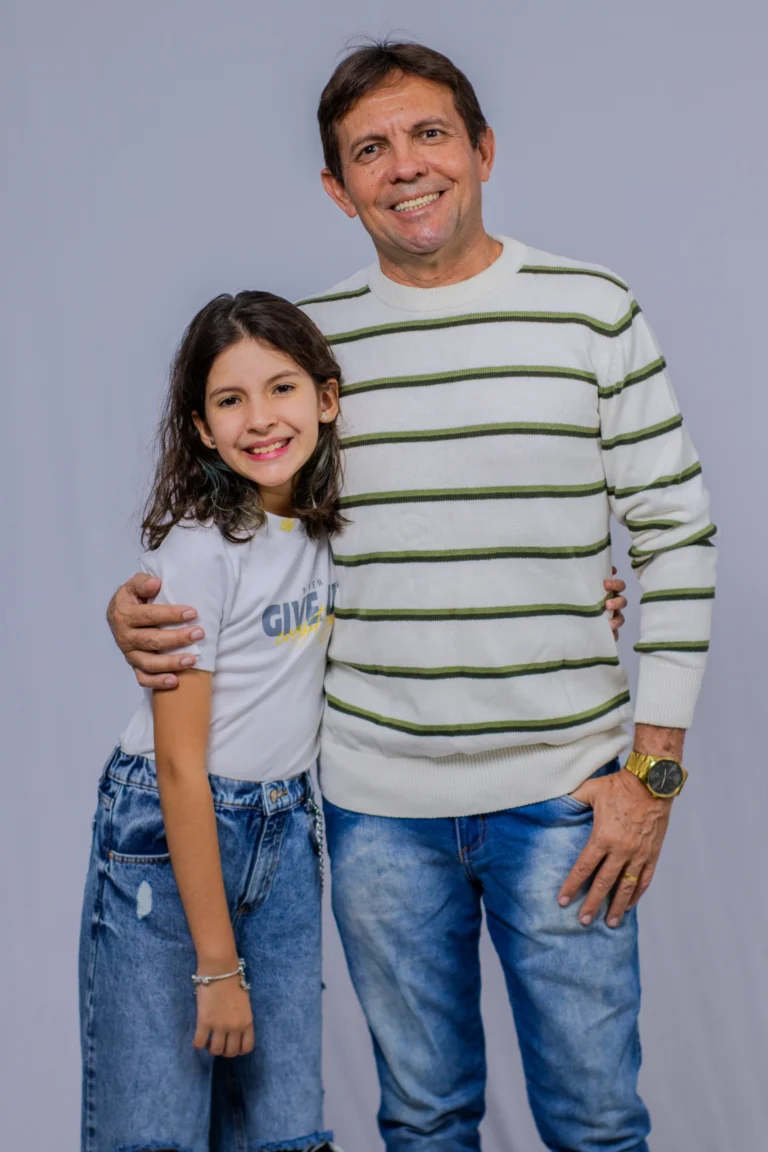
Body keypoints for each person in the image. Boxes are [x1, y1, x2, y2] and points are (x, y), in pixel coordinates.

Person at [105, 40, 717, 1152]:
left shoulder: (591, 310)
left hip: (566, 797)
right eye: (370, 150)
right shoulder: (308, 348)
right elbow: (243, 532)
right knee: (424, 1121)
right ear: (337, 188)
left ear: (483, 149)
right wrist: (134, 604)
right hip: (376, 808)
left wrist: (654, 777)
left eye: (430, 133)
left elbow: (676, 536)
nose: (406, 167)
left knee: (595, 1123)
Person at [80, 291, 344, 1152]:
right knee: (154, 1130)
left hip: (285, 827)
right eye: (230, 400)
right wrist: (218, 966)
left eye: (282, 388)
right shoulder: (201, 549)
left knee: (283, 1130)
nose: (260, 419)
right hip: (171, 834)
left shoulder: (330, 531)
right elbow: (179, 767)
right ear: (200, 428)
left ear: (327, 399)